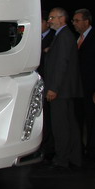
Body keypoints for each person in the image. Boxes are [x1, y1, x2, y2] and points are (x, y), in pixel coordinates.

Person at [43, 7, 83, 170]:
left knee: (61, 127)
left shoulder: (64, 36)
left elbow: (61, 65)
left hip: (61, 91)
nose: (49, 21)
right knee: (69, 125)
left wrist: (53, 88)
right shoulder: (63, 35)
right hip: (64, 90)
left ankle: (62, 159)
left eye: (52, 17)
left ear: (62, 19)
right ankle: (74, 157)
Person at [72, 8, 95, 163]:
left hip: (92, 89)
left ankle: (93, 152)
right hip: (78, 90)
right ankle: (79, 150)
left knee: (93, 122)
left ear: (86, 21)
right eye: (73, 20)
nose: (74, 23)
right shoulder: (77, 39)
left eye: (77, 20)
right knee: (78, 121)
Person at [38, 12, 56, 162]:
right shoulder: (36, 38)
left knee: (49, 118)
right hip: (37, 83)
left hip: (48, 82)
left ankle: (49, 148)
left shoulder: (54, 38)